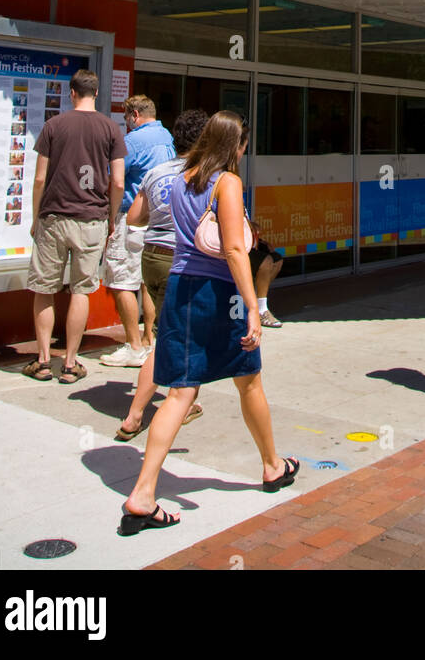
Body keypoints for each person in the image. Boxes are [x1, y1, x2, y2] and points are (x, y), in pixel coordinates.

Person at [119, 110, 298, 533]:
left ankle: (143, 492)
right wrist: (253, 305)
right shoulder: (227, 182)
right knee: (249, 378)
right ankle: (273, 465)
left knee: (180, 391)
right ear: (235, 145)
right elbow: (235, 250)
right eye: (243, 144)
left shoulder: (181, 179)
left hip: (182, 286)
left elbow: (149, 220)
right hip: (219, 292)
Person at [23, 69, 126, 383]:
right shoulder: (110, 129)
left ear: (71, 93)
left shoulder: (54, 126)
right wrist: (110, 217)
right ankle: (70, 363)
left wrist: (35, 216)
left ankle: (42, 361)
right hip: (91, 219)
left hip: (54, 217)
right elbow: (118, 181)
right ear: (96, 94)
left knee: (44, 289)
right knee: (82, 291)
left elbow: (40, 178)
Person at [114, 108, 210, 441]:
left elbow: (135, 218)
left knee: (168, 333)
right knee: (182, 338)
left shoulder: (156, 172)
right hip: (185, 261)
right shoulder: (205, 175)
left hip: (152, 258)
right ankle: (168, 405)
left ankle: (146, 410)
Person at [100, 96, 174, 368]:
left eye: (126, 116)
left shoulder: (130, 141)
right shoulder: (167, 137)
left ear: (134, 114)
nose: (125, 121)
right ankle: (147, 339)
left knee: (121, 280)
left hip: (129, 216)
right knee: (146, 282)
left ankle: (133, 346)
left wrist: (110, 215)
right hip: (157, 218)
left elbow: (115, 177)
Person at [249, 220, 283, 328]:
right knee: (266, 261)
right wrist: (248, 223)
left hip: (251, 245)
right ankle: (261, 310)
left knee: (277, 259)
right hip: (236, 249)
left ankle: (257, 299)